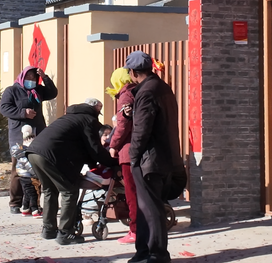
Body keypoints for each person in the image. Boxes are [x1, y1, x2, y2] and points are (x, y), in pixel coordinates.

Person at [26, 102, 117, 245]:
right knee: (69, 191)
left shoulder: (68, 118)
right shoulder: (88, 120)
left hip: (33, 152)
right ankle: (65, 233)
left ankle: (49, 229)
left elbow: (83, 147)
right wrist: (112, 163)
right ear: (94, 113)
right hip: (50, 155)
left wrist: (93, 164)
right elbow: (94, 149)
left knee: (50, 190)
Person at [124, 51, 181, 263]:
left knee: (150, 208)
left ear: (133, 72)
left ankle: (156, 254)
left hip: (149, 159)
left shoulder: (146, 92)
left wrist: (133, 155)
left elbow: (142, 129)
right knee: (146, 208)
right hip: (163, 156)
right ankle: (144, 251)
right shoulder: (161, 87)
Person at [0, 66, 57, 214]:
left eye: (33, 78)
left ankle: (33, 203)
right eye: (28, 77)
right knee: (19, 170)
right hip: (19, 136)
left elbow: (52, 93)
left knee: (37, 169)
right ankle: (15, 202)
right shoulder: (12, 91)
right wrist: (23, 113)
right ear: (22, 77)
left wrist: (45, 78)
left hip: (37, 134)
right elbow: (4, 108)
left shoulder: (38, 91)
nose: (31, 80)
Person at [107, 67, 139, 245]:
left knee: (131, 193)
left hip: (128, 151)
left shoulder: (125, 96)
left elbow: (122, 125)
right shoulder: (139, 92)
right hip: (142, 149)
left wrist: (113, 145)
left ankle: (135, 230)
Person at [11, 124, 40, 218]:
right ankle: (35, 210)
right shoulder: (27, 152)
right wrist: (36, 173)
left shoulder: (19, 151)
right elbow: (29, 165)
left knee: (27, 193)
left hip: (22, 175)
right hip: (30, 176)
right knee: (34, 194)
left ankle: (25, 208)